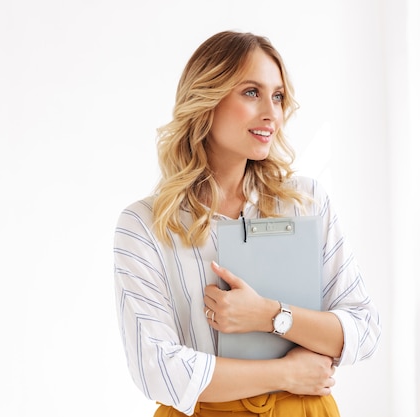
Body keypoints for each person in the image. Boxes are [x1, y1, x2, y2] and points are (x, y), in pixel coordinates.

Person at [113, 30, 381, 417]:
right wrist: (285, 373)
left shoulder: (306, 202)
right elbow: (160, 371)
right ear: (206, 100)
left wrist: (271, 315)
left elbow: (363, 329)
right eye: (251, 92)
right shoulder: (143, 226)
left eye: (277, 96)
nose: (271, 113)